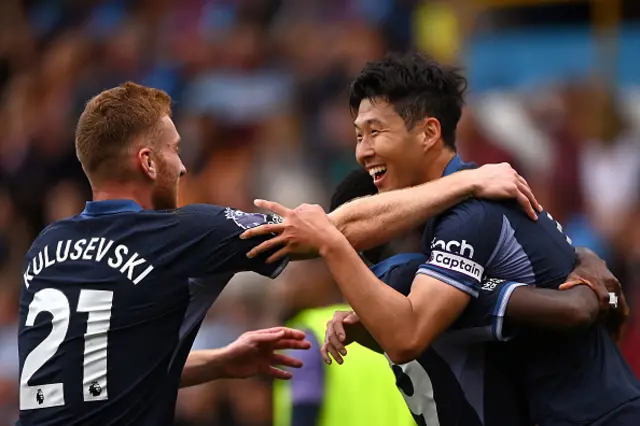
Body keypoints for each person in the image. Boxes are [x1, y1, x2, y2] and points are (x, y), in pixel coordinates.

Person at [17, 82, 539, 426]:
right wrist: (466, 182)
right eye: (175, 150)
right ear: (148, 162)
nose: (183, 167)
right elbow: (325, 230)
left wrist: (220, 362)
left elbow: (94, 376)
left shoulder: (46, 248)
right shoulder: (178, 233)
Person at [241, 52, 640, 425]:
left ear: (429, 131)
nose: (363, 151)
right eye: (358, 136)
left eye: (375, 131)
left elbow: (407, 336)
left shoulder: (466, 219)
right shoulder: (463, 210)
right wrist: (596, 282)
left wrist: (594, 295)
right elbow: (593, 297)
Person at [322, 169, 627, 426]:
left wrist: (584, 259)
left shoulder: (381, 301)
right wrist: (592, 270)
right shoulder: (415, 279)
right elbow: (578, 308)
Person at [272, 259, 413, 426]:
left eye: (294, 274)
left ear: (324, 275)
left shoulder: (306, 333)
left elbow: (304, 406)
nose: (283, 286)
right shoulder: (382, 328)